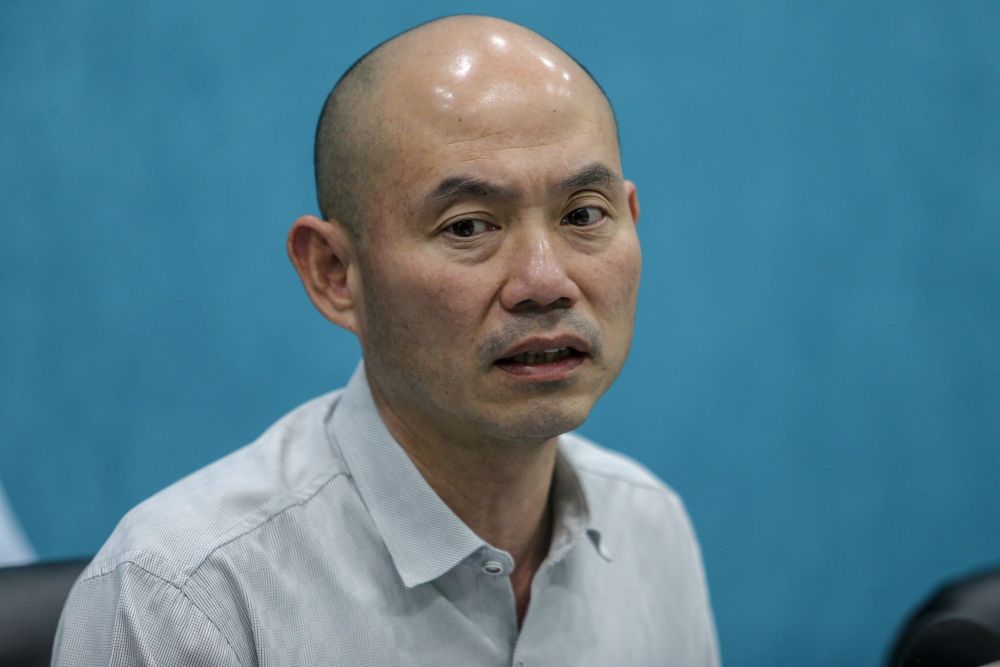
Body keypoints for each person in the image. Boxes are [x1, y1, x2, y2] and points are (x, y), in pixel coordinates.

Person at [53, 15, 718, 665]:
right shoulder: (187, 597)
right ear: (334, 273)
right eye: (468, 227)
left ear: (630, 219)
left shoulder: (649, 527)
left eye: (583, 215)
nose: (545, 282)